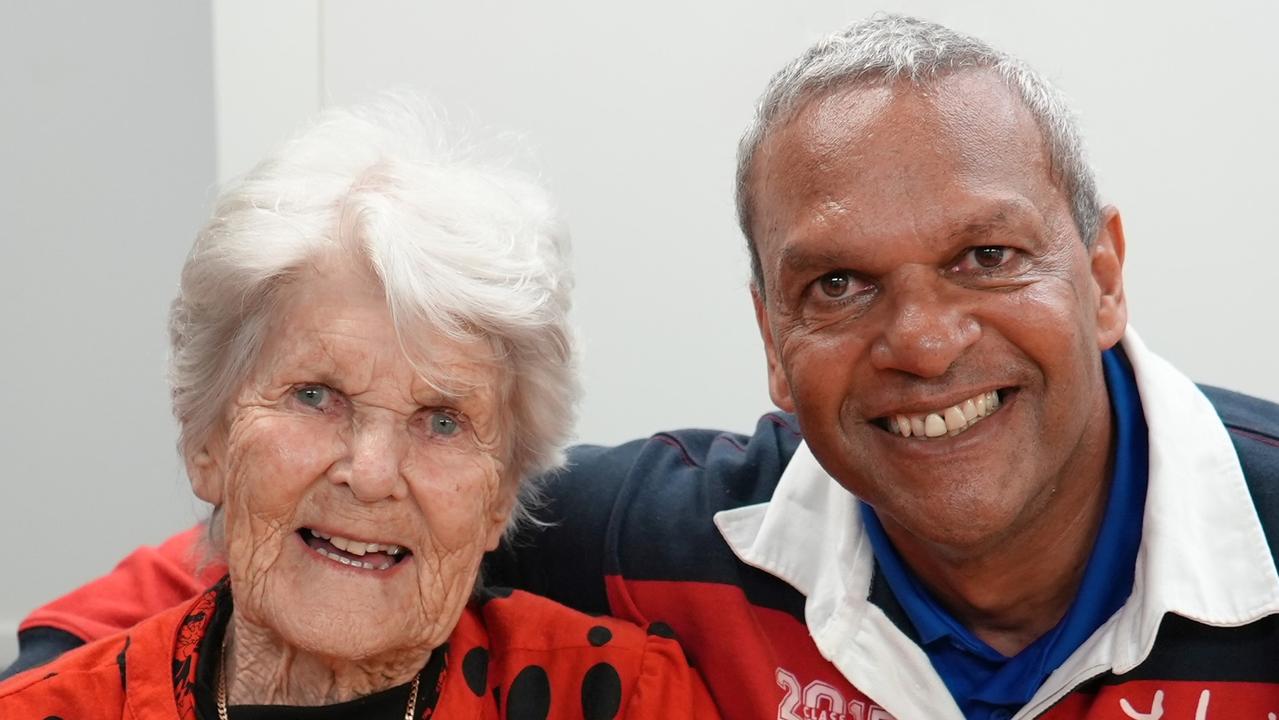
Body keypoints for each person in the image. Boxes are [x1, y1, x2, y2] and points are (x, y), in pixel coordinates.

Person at [7, 14, 1279, 720]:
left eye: (987, 255)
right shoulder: (665, 536)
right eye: (837, 285)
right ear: (770, 338)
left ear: (1104, 273)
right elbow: (302, 547)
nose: (925, 340)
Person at [0, 97, 715, 718]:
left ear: (499, 497)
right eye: (316, 397)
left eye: (441, 420)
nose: (371, 475)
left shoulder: (620, 700)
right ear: (207, 439)